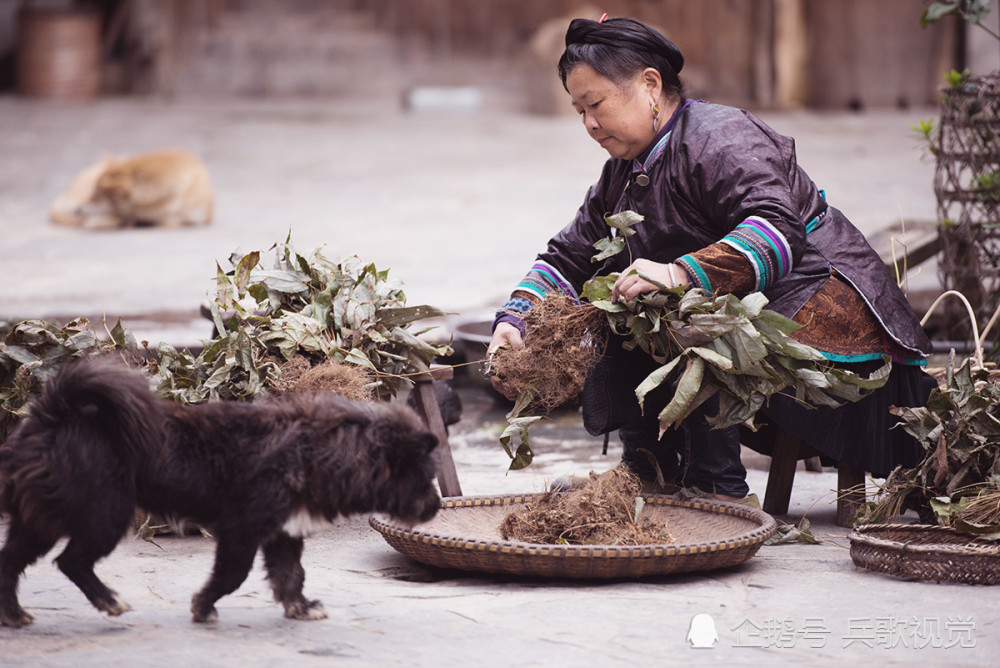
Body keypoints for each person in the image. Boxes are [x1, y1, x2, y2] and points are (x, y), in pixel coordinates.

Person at [487, 16, 937, 500]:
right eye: (579, 111)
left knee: (691, 315)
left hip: (822, 303)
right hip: (756, 298)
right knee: (623, 307)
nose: (589, 123)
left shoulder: (721, 136)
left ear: (650, 84)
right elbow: (572, 252)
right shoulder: (620, 172)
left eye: (595, 104)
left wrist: (680, 273)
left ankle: (717, 487)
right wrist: (517, 318)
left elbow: (777, 229)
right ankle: (648, 470)